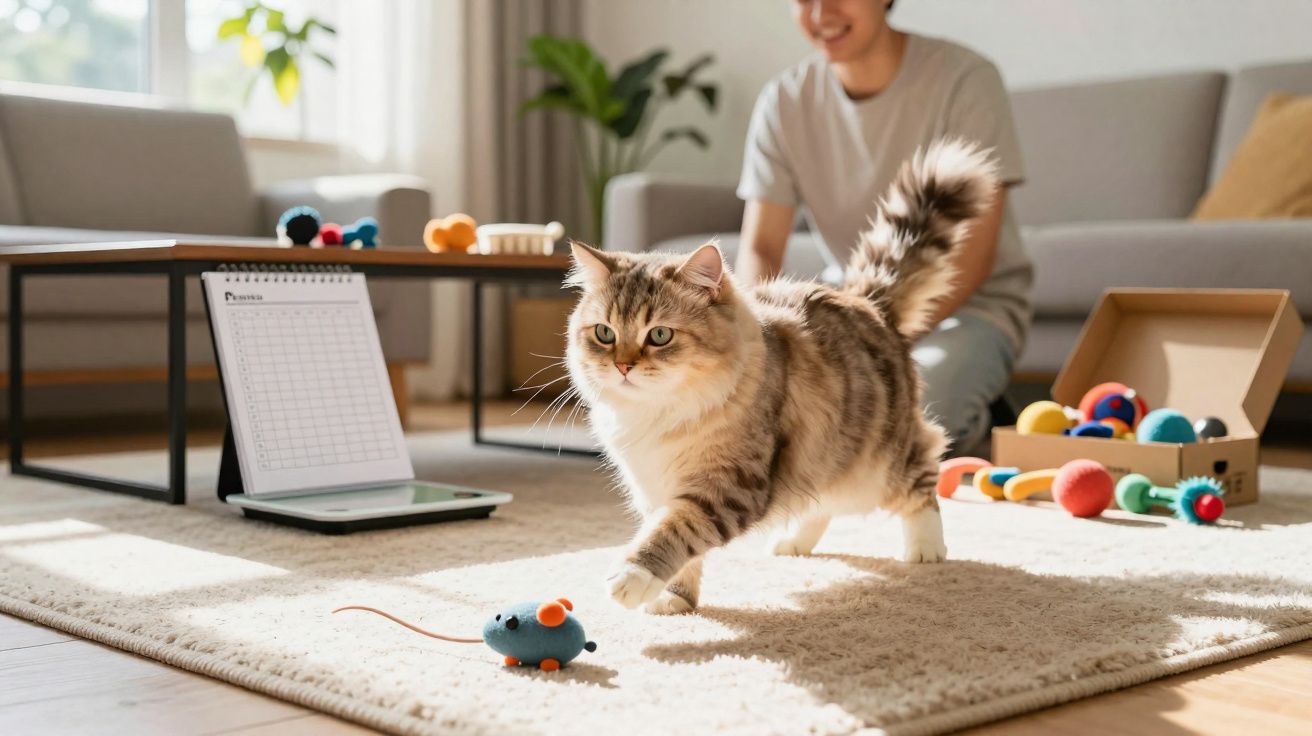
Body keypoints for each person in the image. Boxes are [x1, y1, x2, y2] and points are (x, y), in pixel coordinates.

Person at [735, 0, 1031, 455]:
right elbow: (762, 244)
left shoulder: (967, 79)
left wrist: (867, 350)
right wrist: (757, 342)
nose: (820, 14)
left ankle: (982, 421)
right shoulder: (784, 100)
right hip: (850, 306)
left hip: (966, 308)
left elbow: (974, 255)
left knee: (907, 421)